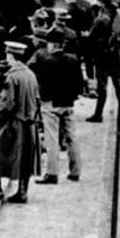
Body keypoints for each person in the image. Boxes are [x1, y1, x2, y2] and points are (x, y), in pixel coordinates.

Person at [0, 55, 40, 204]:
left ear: (11, 56)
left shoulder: (11, 77)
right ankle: (22, 192)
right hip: (29, 123)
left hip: (13, 124)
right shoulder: (30, 74)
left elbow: (7, 104)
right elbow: (37, 100)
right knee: (25, 159)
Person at [30, 28, 82, 184]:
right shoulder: (73, 60)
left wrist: (43, 101)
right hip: (68, 103)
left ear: (52, 44)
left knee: (52, 139)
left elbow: (42, 85)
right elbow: (79, 84)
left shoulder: (47, 62)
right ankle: (75, 170)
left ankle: (52, 173)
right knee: (72, 136)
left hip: (51, 104)